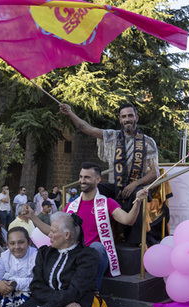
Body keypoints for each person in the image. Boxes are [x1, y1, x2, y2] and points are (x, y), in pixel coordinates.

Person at [28, 164, 147, 291]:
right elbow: (54, 232)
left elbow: (128, 220)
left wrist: (138, 201)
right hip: (75, 254)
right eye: (80, 177)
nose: (82, 180)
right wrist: (33, 217)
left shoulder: (107, 203)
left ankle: (93, 293)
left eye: (87, 177)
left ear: (98, 180)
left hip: (95, 255)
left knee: (97, 248)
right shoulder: (71, 206)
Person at [60, 102, 158, 240]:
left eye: (130, 115)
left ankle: (133, 241)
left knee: (137, 193)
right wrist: (70, 113)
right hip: (115, 186)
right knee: (94, 187)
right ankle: (88, 229)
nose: (127, 119)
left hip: (136, 187)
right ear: (120, 119)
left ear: (136, 117)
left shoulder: (148, 142)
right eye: (124, 116)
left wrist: (135, 184)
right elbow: (87, 128)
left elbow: (155, 173)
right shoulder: (112, 136)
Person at [2, 212, 98, 307]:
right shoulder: (45, 253)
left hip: (77, 304)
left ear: (66, 235)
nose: (49, 235)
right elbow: (36, 286)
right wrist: (63, 302)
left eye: (53, 231)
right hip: (55, 300)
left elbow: (74, 292)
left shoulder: (87, 256)